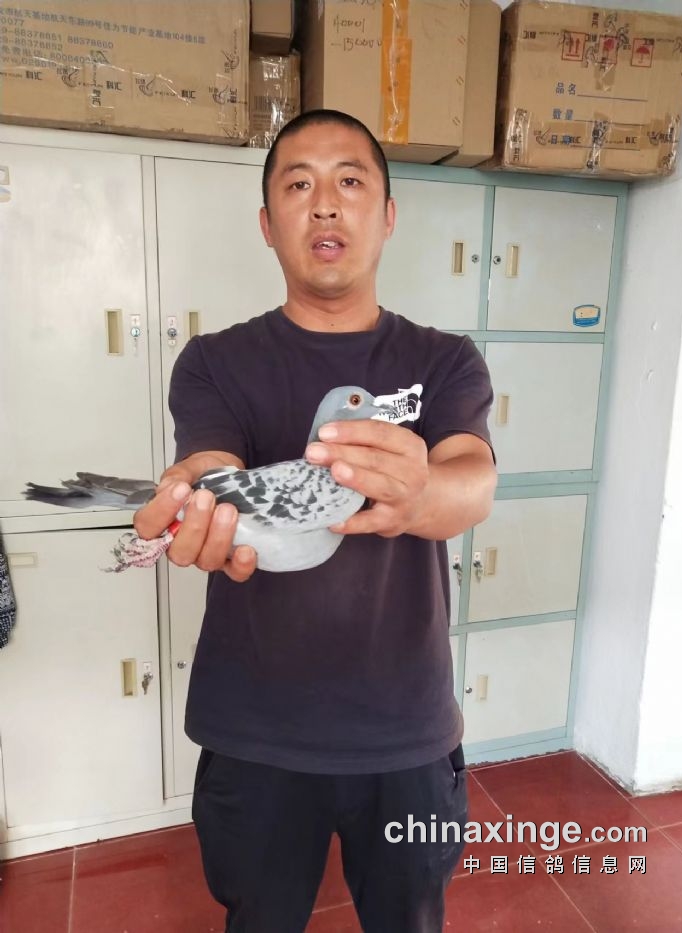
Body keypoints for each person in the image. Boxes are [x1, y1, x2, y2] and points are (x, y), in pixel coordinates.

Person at [134, 109, 497, 933]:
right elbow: (210, 462)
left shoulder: (445, 361)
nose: (325, 204)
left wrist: (415, 495)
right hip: (255, 730)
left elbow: (472, 480)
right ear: (268, 224)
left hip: (405, 728)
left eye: (350, 181)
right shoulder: (214, 361)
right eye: (298, 184)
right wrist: (193, 492)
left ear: (388, 214)